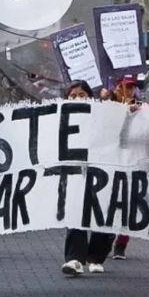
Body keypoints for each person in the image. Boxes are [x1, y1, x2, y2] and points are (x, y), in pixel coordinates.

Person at [60, 80, 116, 278]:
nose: (77, 99)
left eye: (82, 95)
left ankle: (96, 257)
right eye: (72, 95)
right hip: (75, 173)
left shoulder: (101, 117)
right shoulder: (60, 117)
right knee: (76, 212)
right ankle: (75, 258)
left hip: (102, 172)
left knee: (101, 212)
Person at [110, 74, 140, 260]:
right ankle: (102, 241)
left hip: (131, 161)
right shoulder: (106, 107)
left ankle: (121, 243)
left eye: (130, 87)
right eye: (124, 86)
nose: (127, 91)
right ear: (115, 87)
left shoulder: (140, 108)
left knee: (129, 203)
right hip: (109, 160)